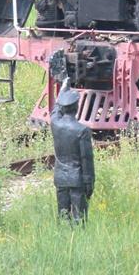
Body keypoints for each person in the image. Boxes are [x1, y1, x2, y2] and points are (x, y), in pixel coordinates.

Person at [51, 88, 95, 222]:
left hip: (60, 178)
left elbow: (55, 111)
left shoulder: (55, 124)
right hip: (77, 179)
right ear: (77, 107)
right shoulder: (82, 130)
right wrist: (89, 182)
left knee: (63, 214)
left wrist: (63, 90)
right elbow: (86, 159)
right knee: (79, 216)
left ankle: (63, 238)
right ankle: (78, 239)